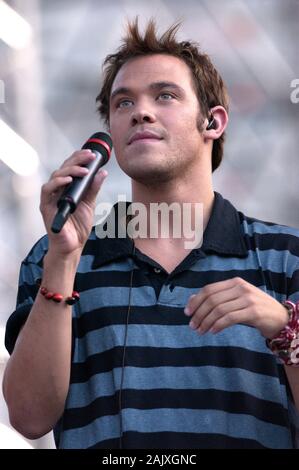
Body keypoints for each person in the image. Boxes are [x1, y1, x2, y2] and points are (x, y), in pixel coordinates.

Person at [3, 18, 299, 449]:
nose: (140, 110)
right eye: (123, 104)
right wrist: (62, 260)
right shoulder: (55, 257)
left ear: (213, 123)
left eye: (165, 95)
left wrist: (283, 326)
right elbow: (29, 418)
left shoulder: (285, 256)